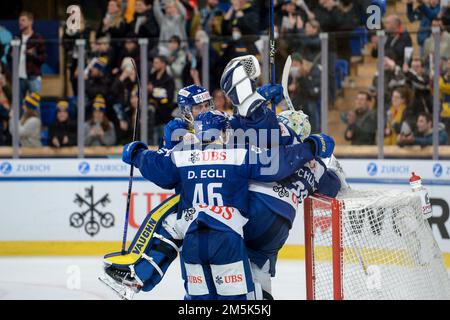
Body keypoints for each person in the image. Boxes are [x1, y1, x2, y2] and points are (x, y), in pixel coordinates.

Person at [101, 109, 335, 300]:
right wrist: (311, 147)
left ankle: (141, 271)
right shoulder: (238, 154)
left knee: (195, 297)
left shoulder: (184, 155)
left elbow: (158, 169)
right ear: (224, 131)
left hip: (193, 238)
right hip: (227, 237)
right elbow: (278, 163)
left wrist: (137, 153)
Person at [12, 11, 46, 105]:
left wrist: (33, 54)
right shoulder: (16, 37)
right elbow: (8, 57)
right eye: (19, 20)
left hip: (33, 77)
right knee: (17, 106)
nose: (20, 22)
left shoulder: (37, 38)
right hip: (18, 77)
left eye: (23, 20)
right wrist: (11, 55)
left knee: (34, 106)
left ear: (30, 22)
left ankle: (35, 120)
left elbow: (43, 58)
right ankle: (19, 120)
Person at [148, 55, 175, 145]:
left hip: (165, 113)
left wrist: (153, 91)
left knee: (163, 139)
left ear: (163, 64)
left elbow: (167, 97)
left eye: (156, 62)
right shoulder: (151, 77)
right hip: (153, 115)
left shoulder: (169, 79)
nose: (154, 65)